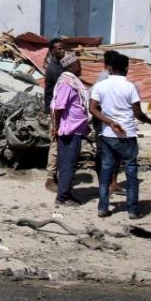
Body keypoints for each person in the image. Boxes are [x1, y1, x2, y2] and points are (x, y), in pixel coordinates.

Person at [89, 53, 151, 219]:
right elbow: (138, 113)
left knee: (106, 171)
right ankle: (132, 210)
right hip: (127, 135)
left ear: (110, 68)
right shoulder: (130, 86)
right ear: (127, 68)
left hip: (107, 134)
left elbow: (92, 109)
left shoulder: (101, 85)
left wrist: (109, 122)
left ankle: (103, 207)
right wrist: (150, 121)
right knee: (131, 172)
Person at [50, 53, 89, 206]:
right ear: (72, 66)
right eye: (79, 64)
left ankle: (66, 192)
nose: (81, 67)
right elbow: (58, 107)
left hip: (76, 129)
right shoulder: (66, 83)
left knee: (70, 163)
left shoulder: (73, 82)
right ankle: (62, 197)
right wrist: (56, 127)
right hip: (68, 131)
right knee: (67, 164)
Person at [94, 51, 124, 195]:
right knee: (105, 152)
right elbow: (95, 102)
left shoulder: (109, 77)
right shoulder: (104, 78)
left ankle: (112, 182)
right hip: (104, 120)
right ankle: (105, 184)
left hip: (109, 120)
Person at [43, 38, 65, 193]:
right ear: (51, 51)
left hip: (58, 110)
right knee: (55, 144)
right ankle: (50, 178)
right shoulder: (54, 70)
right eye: (58, 49)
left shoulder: (60, 67)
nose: (61, 51)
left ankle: (55, 176)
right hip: (54, 111)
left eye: (62, 48)